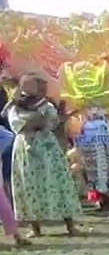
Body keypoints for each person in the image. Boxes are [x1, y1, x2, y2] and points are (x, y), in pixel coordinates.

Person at [5, 74, 80, 237]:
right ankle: (35, 228)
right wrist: (37, 119)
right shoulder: (15, 106)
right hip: (26, 148)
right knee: (29, 185)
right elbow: (19, 125)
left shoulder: (46, 104)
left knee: (59, 181)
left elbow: (51, 121)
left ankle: (70, 225)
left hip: (48, 147)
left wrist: (41, 120)